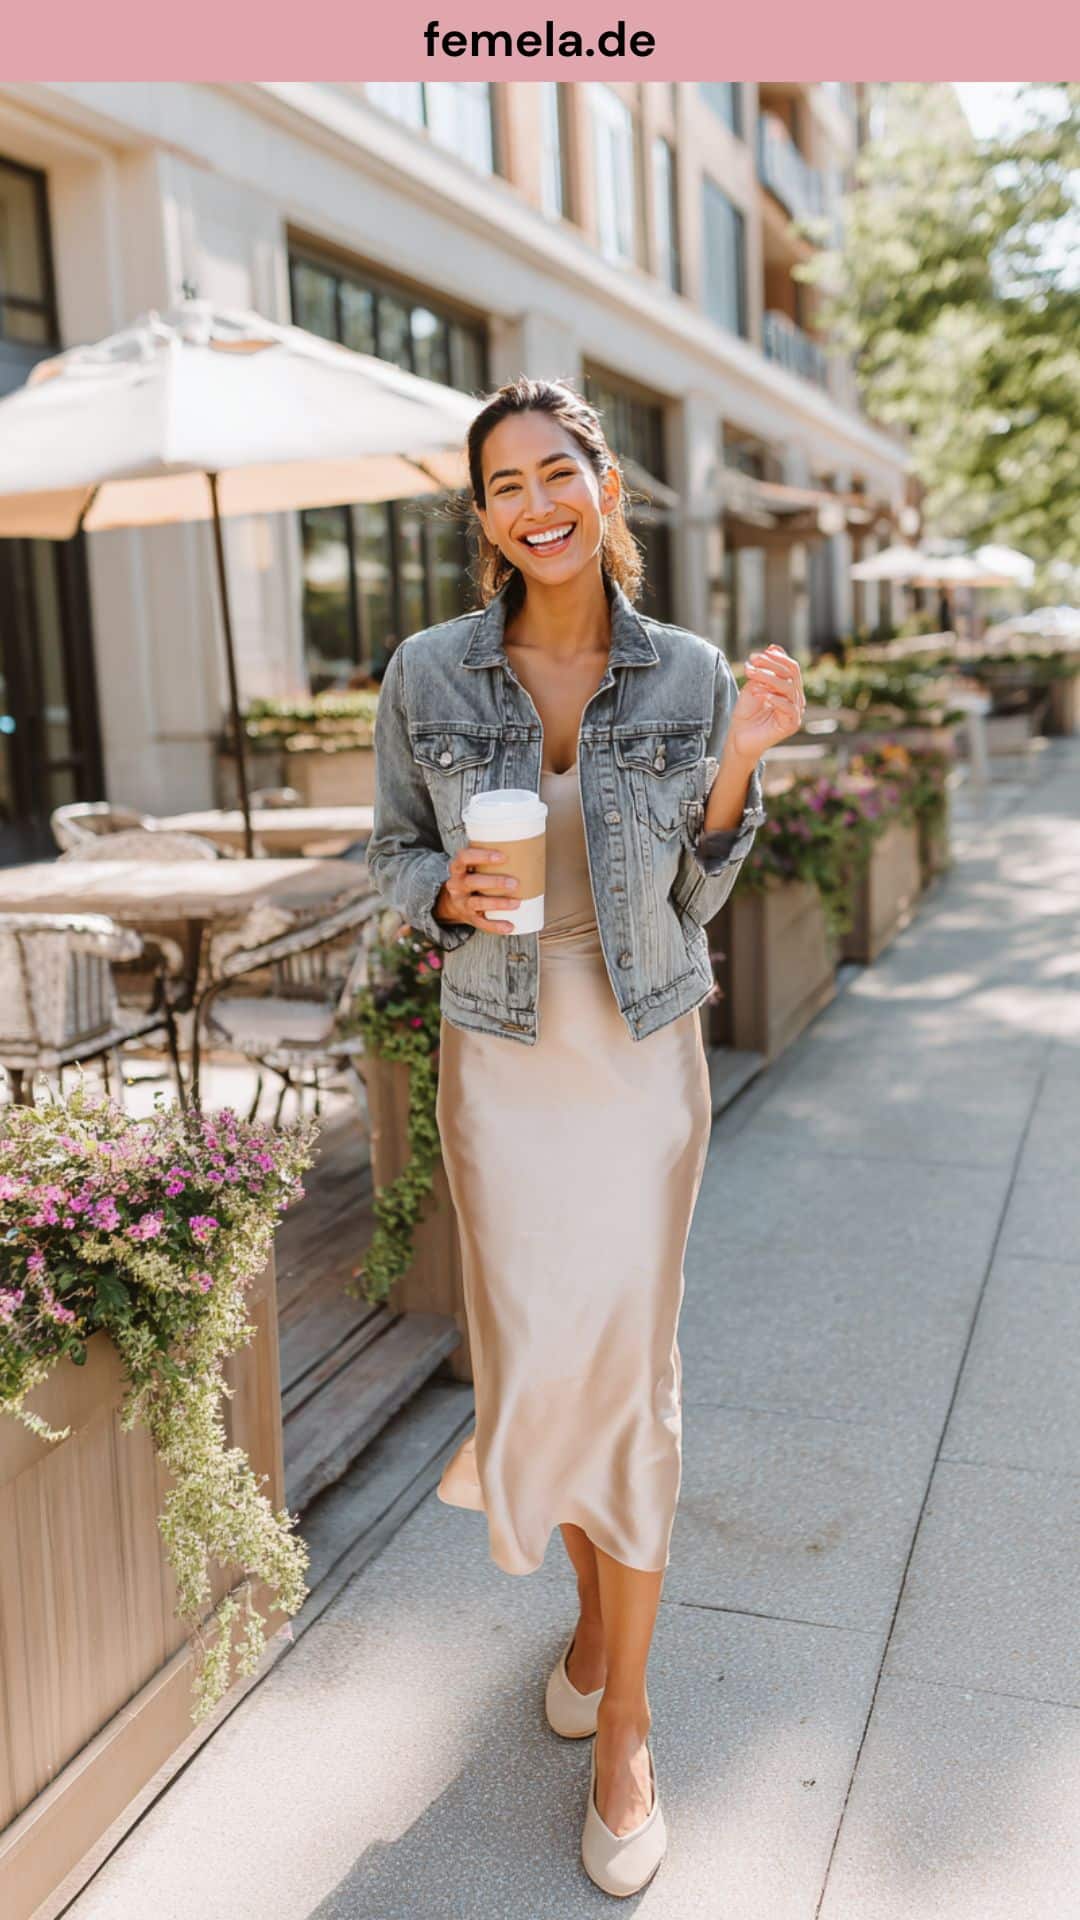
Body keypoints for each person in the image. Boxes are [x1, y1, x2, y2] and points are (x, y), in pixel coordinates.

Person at [366, 376, 805, 1897]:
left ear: (605, 488)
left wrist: (741, 752)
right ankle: (596, 1618)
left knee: (631, 1371)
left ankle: (627, 1725)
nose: (538, 503)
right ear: (480, 516)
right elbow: (384, 851)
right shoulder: (427, 671)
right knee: (535, 1367)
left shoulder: (682, 672)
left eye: (561, 472)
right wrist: (437, 895)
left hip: (634, 1063)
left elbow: (693, 892)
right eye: (506, 485)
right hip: (496, 1063)